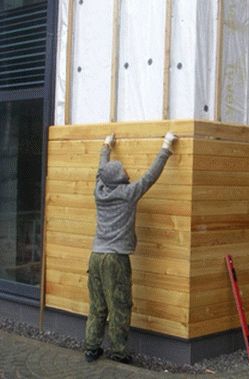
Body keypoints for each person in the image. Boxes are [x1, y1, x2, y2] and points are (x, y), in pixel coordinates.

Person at [84, 131, 178, 363]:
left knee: (97, 305)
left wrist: (106, 146)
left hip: (96, 256)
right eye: (123, 170)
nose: (127, 171)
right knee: (120, 305)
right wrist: (166, 147)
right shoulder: (128, 194)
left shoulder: (99, 191)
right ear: (118, 178)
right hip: (116, 259)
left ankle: (91, 348)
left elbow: (100, 170)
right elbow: (150, 176)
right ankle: (118, 351)